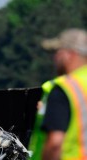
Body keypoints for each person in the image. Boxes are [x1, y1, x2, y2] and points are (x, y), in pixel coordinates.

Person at [30, 28, 87, 160]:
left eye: (58, 52)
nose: (55, 58)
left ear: (70, 54)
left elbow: (55, 143)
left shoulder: (66, 88)